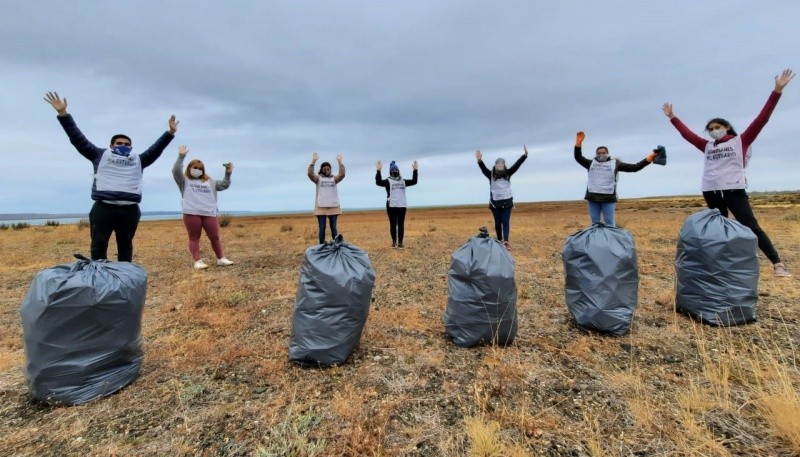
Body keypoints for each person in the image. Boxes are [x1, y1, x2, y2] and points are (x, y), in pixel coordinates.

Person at [662, 68, 794, 277]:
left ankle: (777, 264)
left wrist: (776, 91)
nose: (714, 130)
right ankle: (721, 265)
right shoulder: (707, 146)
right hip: (711, 190)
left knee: (750, 225)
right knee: (718, 228)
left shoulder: (740, 140)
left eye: (717, 126)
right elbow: (687, 135)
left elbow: (762, 119)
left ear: (726, 127)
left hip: (733, 189)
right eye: (711, 128)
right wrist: (673, 118)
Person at [44, 91, 177, 262]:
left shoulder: (139, 160)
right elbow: (78, 139)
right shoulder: (99, 155)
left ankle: (124, 280)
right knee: (98, 246)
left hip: (129, 210)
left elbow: (156, 149)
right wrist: (63, 114)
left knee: (126, 246)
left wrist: (170, 133)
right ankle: (100, 280)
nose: (123, 146)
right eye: (119, 143)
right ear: (111, 145)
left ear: (131, 147)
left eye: (126, 144)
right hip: (103, 208)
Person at [573, 131, 659, 227]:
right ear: (596, 154)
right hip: (592, 198)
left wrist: (649, 159)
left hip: (608, 198)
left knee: (610, 223)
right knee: (595, 224)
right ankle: (596, 241)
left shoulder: (615, 163)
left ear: (608, 153)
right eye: (599, 153)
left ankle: (611, 241)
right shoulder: (590, 163)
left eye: (603, 153)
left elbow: (634, 167)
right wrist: (578, 143)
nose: (601, 154)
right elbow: (578, 157)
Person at [172, 145, 234, 269]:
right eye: (195, 168)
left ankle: (221, 258)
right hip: (191, 213)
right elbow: (175, 170)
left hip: (209, 213)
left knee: (215, 236)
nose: (197, 170)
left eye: (200, 169)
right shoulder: (183, 181)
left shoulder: (210, 182)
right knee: (194, 237)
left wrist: (227, 174)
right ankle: (197, 261)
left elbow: (224, 185)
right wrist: (181, 156)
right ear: (189, 168)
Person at [476, 147, 528, 249]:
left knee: (505, 221)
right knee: (498, 223)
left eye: (502, 163)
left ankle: (506, 241)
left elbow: (517, 165)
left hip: (507, 202)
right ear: (495, 165)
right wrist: (479, 161)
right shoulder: (490, 174)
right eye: (498, 163)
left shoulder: (508, 173)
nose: (500, 165)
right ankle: (499, 240)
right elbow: (483, 169)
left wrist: (524, 156)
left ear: (504, 165)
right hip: (495, 203)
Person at [375, 160, 419, 248]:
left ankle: (400, 243)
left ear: (399, 171)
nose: (395, 172)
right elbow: (378, 182)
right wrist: (378, 171)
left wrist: (415, 171)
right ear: (390, 172)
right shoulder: (387, 181)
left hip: (402, 206)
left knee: (401, 224)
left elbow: (414, 181)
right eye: (393, 170)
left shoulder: (403, 181)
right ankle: (394, 242)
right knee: (393, 224)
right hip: (391, 205)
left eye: (396, 170)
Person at [308, 152, 345, 244]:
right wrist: (313, 161)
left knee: (333, 226)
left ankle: (336, 245)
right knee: (322, 227)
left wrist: (340, 163)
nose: (327, 170)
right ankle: (321, 246)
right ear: (321, 170)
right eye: (325, 169)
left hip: (333, 206)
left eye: (328, 169)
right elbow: (310, 173)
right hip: (321, 207)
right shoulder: (318, 179)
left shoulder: (334, 179)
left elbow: (342, 175)